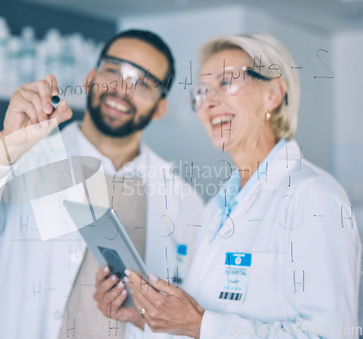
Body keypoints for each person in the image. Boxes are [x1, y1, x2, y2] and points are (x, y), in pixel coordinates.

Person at [0, 29, 204, 338]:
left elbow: (189, 316)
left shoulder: (181, 199)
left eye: (142, 83)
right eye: (113, 71)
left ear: (160, 108)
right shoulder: (29, 161)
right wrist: (6, 146)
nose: (120, 89)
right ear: (91, 77)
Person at [94, 33, 361, 338]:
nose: (208, 101)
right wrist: (146, 319)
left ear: (273, 94)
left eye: (225, 82)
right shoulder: (217, 208)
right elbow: (201, 326)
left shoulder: (312, 197)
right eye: (201, 92)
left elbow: (331, 334)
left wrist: (200, 323)